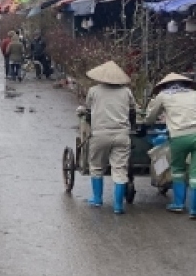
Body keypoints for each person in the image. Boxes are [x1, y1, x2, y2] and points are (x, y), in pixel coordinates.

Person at [84, 61, 136, 214]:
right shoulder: (126, 92)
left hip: (100, 134)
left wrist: (91, 124)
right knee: (120, 169)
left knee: (96, 166)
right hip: (121, 134)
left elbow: (87, 112)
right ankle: (118, 206)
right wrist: (131, 126)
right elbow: (132, 113)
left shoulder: (93, 91)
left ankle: (97, 199)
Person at [142, 72, 196, 215]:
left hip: (179, 136)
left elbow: (151, 116)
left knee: (178, 170)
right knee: (195, 173)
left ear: (165, 85)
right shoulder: (194, 94)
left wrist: (147, 123)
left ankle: (178, 204)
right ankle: (195, 210)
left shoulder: (164, 95)